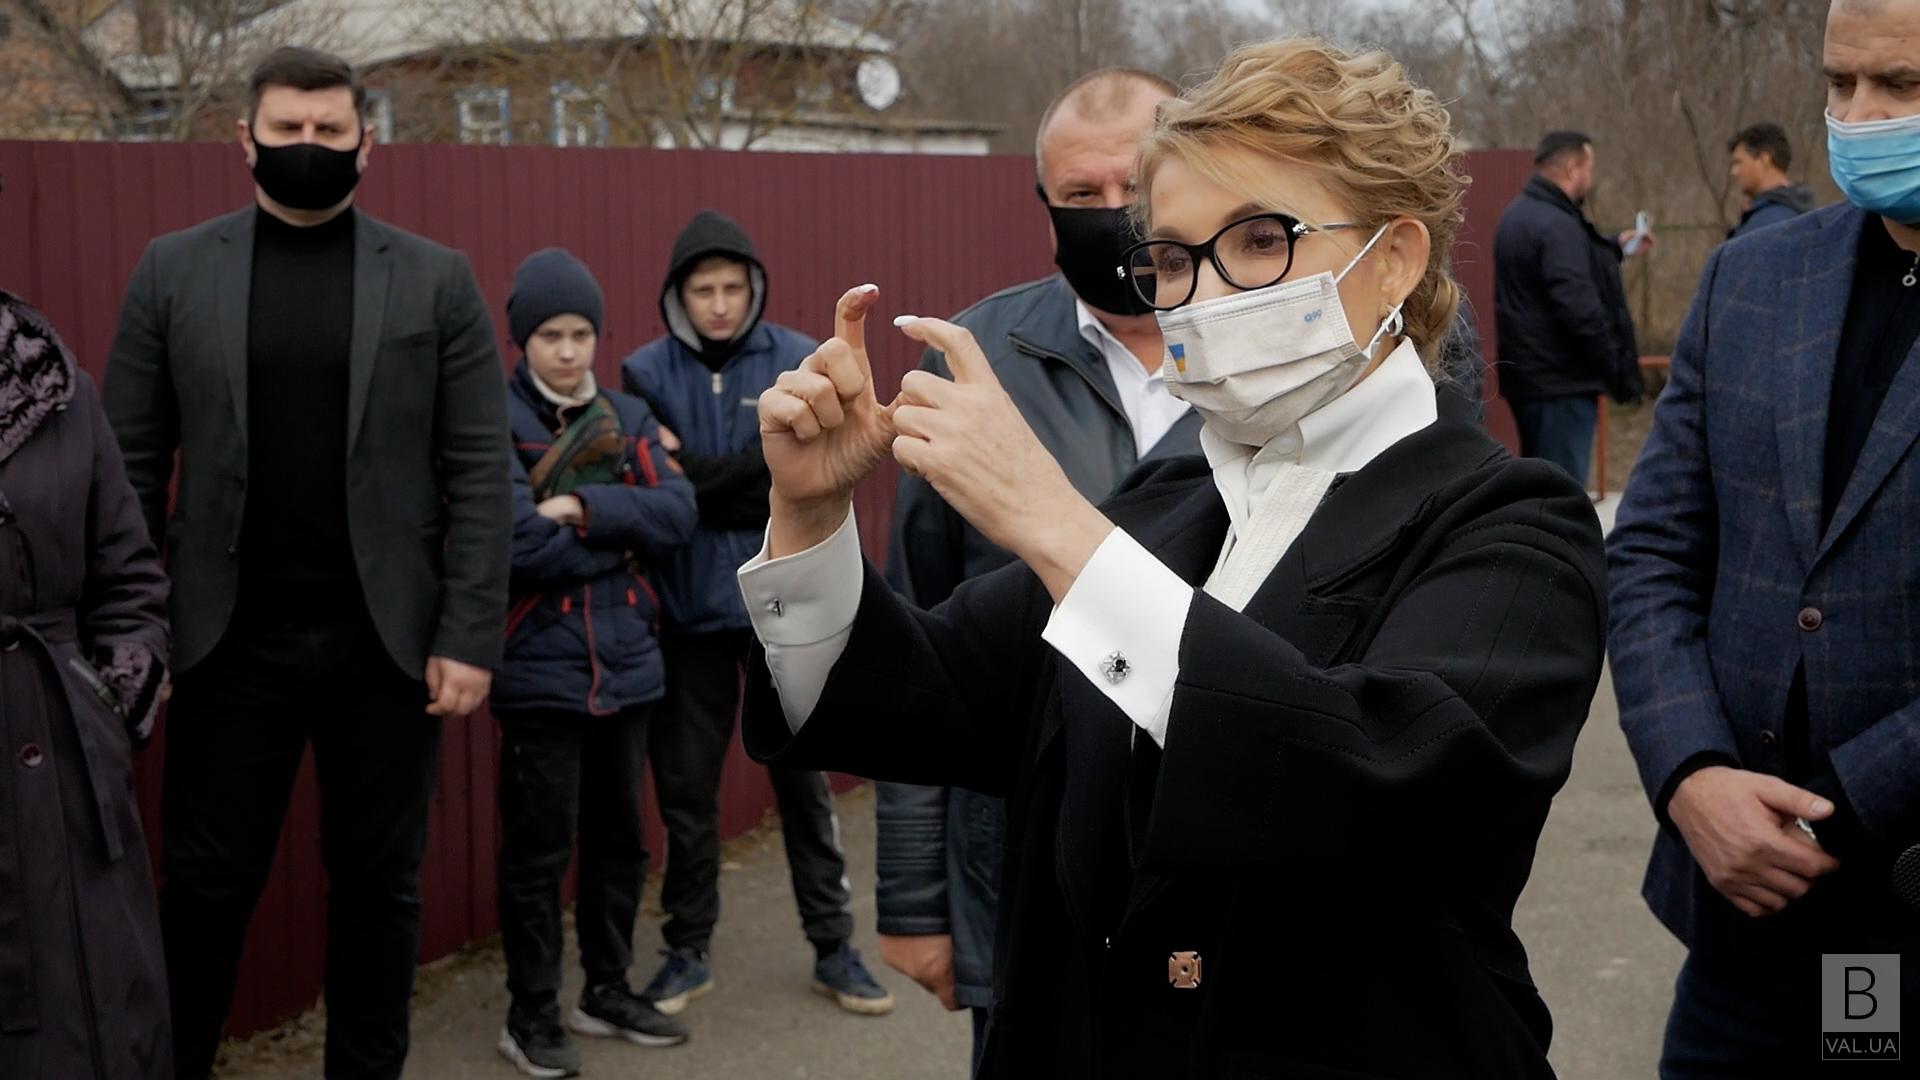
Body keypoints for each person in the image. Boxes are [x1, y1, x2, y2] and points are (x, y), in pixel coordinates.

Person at [737, 37, 1607, 1078]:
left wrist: (1059, 526)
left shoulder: (1510, 521)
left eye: (1258, 240)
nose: (1203, 293)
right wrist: (809, 516)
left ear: (1395, 259)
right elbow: (924, 690)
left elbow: (1386, 782)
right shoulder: (1171, 503)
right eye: (1180, 259)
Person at [102, 46, 512, 1080]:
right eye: (287, 129)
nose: (308, 147)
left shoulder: (436, 279)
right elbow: (131, 471)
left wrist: (468, 635)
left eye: (330, 131)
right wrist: (127, 633)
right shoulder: (171, 270)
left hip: (390, 648)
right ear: (243, 137)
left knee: (380, 889)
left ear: (366, 144)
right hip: (224, 642)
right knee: (203, 888)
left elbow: (477, 471)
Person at [1610, 1, 1920, 1074]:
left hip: (1889, 914)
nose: (1861, 116)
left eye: (1902, 87)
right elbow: (1651, 551)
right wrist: (1691, 770)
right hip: (1736, 926)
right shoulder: (1756, 278)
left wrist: (1836, 812)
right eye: (1840, 84)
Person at [621, 209, 891, 1017]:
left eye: (732, 286)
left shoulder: (794, 359)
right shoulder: (643, 372)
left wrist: (701, 473)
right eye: (702, 288)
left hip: (780, 605)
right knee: (687, 794)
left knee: (805, 786)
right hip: (686, 615)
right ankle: (686, 952)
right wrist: (744, 474)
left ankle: (835, 949)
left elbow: (789, 476)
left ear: (753, 287)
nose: (718, 303)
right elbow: (659, 490)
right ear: (679, 295)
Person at [493, 249, 696, 1077]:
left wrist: (581, 505)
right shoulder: (494, 419)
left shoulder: (628, 415)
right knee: (538, 857)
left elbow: (678, 513)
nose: (569, 351)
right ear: (524, 340)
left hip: (630, 671)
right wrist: (620, 538)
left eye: (581, 333)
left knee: (621, 846)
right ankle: (531, 1012)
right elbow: (512, 544)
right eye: (551, 334)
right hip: (536, 677)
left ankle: (604, 989)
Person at [0, 290, 172, 1079]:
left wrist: (108, 706)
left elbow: (129, 577)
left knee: (105, 1025)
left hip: (72, 771)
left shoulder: (52, 379)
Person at [1494, 130, 1646, 486]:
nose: (1591, 179)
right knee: (1560, 497)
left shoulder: (1520, 215)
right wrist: (1613, 367)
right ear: (1573, 167)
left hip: (1531, 382)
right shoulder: (1558, 226)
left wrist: (1615, 246)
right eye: (1589, 168)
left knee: (1539, 493)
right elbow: (1579, 308)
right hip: (1561, 387)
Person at [1728, 122, 1816, 239]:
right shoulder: (1800, 212)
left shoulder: (1768, 223)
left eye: (1739, 162)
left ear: (1764, 160)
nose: (1734, 172)